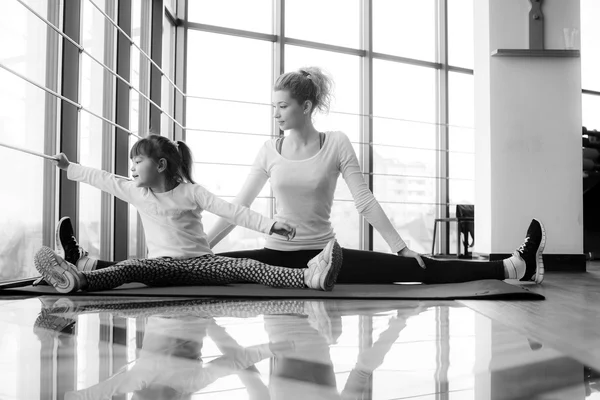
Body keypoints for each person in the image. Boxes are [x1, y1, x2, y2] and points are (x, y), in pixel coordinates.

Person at [207, 66, 546, 285]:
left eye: (283, 106)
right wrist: (202, 248)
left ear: (306, 107)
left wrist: (400, 249)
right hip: (275, 256)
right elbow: (239, 207)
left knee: (420, 268)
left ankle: (514, 267)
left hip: (326, 257)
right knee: (206, 268)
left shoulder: (336, 143)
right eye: (274, 106)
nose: (276, 113)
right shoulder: (269, 150)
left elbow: (364, 201)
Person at [33, 134, 343, 294]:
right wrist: (68, 167)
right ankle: (76, 279)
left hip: (203, 265)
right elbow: (102, 178)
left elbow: (231, 211)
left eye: (138, 161)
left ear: (161, 165)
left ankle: (310, 276)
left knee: (248, 266)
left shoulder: (191, 192)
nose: (132, 168)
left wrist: (269, 224)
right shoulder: (136, 191)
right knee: (130, 267)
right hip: (161, 267)